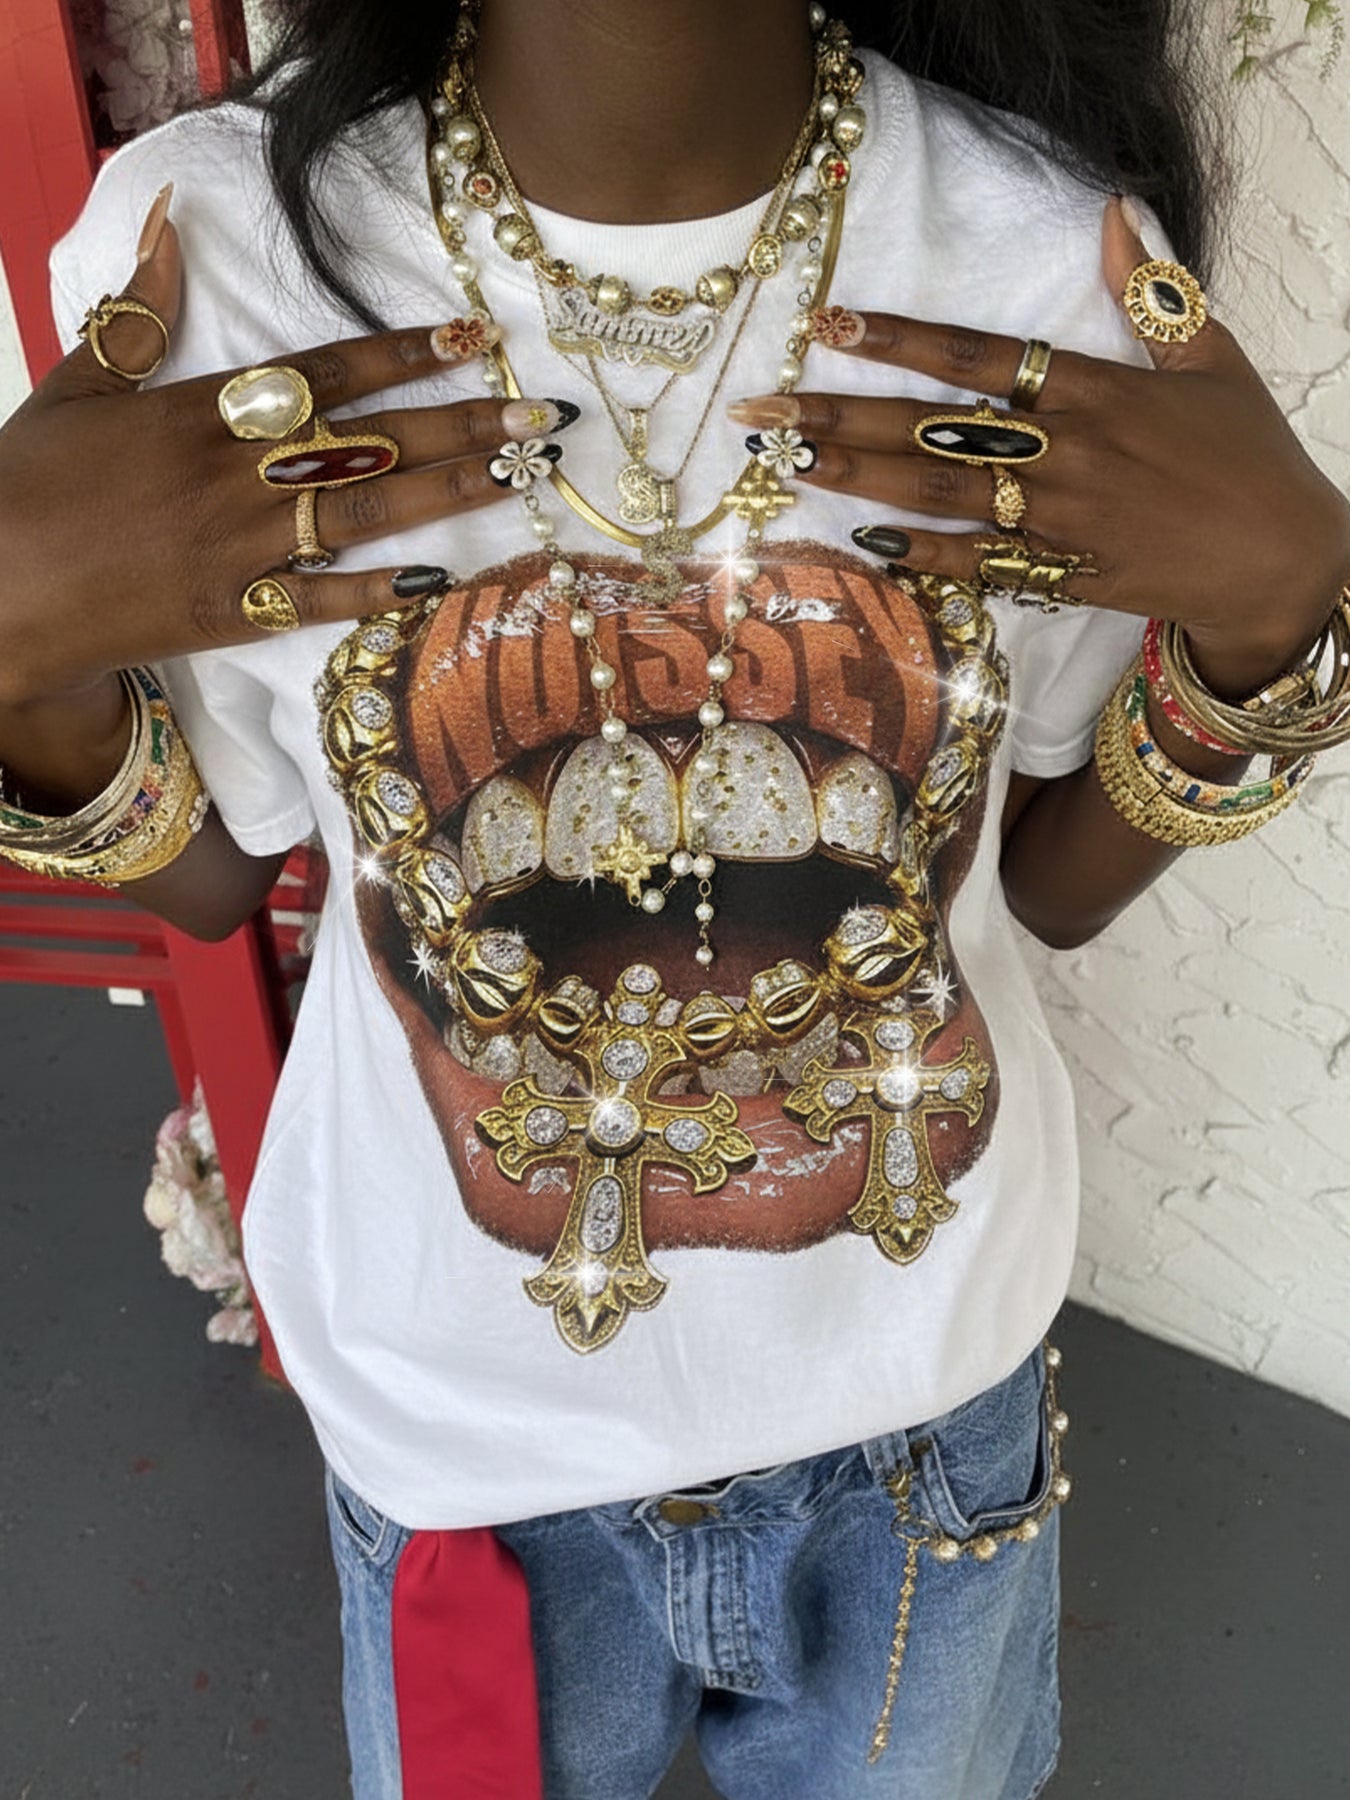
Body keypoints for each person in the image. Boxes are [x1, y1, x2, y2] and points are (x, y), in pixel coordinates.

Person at [1, 1, 1347, 1795]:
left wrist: (1282, 629)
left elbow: (1041, 880)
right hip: (465, 1447)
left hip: (923, 1418)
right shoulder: (208, 249)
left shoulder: (1045, 252)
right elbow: (212, 869)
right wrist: (16, 658)